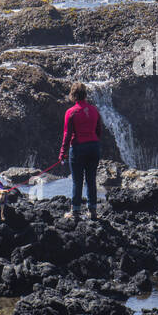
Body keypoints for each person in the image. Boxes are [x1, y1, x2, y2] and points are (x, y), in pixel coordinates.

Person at [58, 82, 102, 220]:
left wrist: (62, 153)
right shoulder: (94, 110)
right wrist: (94, 142)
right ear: (85, 95)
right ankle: (93, 210)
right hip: (94, 147)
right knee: (91, 179)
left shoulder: (71, 112)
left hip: (78, 148)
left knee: (77, 181)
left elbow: (67, 134)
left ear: (73, 95)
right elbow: (99, 130)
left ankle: (76, 211)